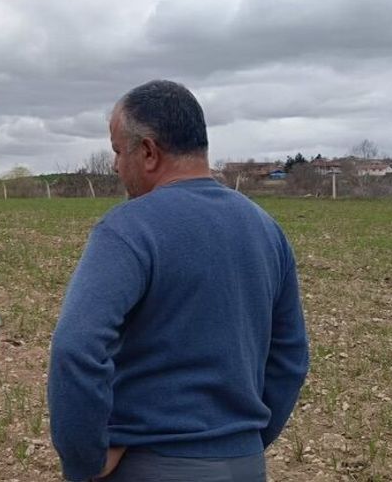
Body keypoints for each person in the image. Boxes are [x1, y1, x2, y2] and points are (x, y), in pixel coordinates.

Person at [47, 80, 309, 482]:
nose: (115, 166)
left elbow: (76, 347)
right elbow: (290, 357)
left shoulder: (129, 228)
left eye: (118, 151)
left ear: (148, 152)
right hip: (245, 465)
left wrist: (86, 461)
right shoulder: (266, 229)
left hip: (150, 465)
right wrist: (244, 440)